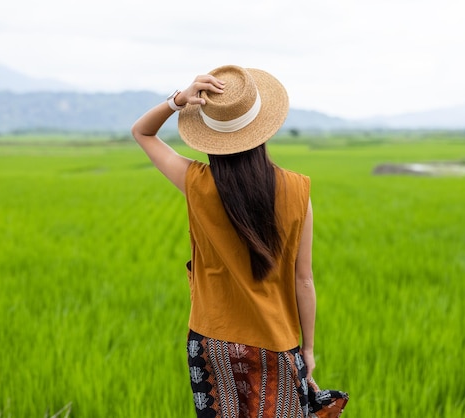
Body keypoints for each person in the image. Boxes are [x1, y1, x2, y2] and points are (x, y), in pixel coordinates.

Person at [131, 65, 348, 417]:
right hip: (276, 341)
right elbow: (303, 279)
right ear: (262, 128)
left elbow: (142, 132)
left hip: (211, 341)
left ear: (210, 135)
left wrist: (177, 101)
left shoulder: (196, 182)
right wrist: (308, 348)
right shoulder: (297, 190)